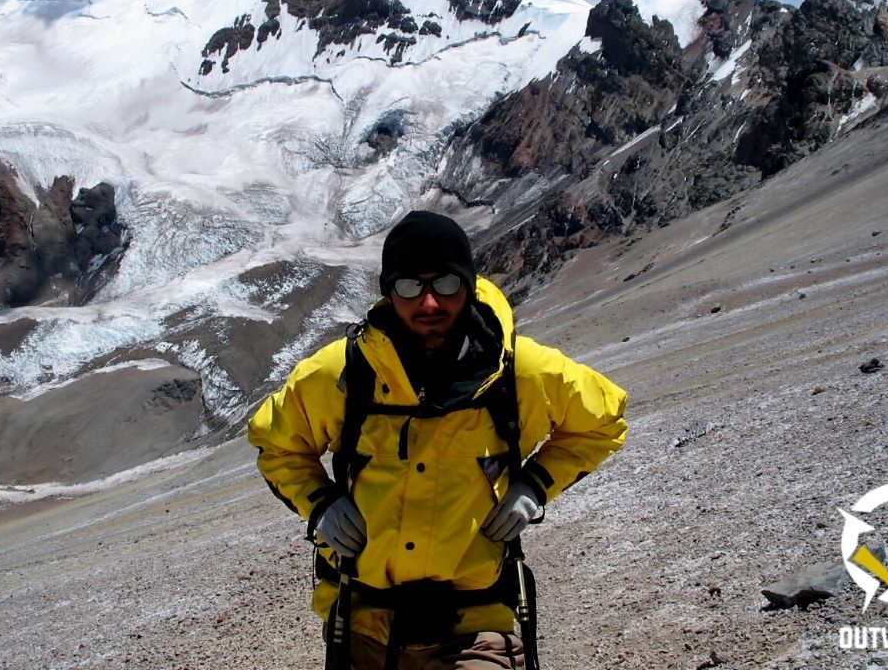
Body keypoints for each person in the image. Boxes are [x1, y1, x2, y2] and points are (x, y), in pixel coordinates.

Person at [247, 210, 627, 669]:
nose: (429, 303)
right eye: (410, 286)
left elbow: (602, 419)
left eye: (445, 283)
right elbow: (278, 444)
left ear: (467, 284)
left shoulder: (518, 372)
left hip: (475, 624)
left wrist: (536, 485)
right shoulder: (342, 374)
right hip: (364, 623)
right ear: (389, 292)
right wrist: (321, 504)